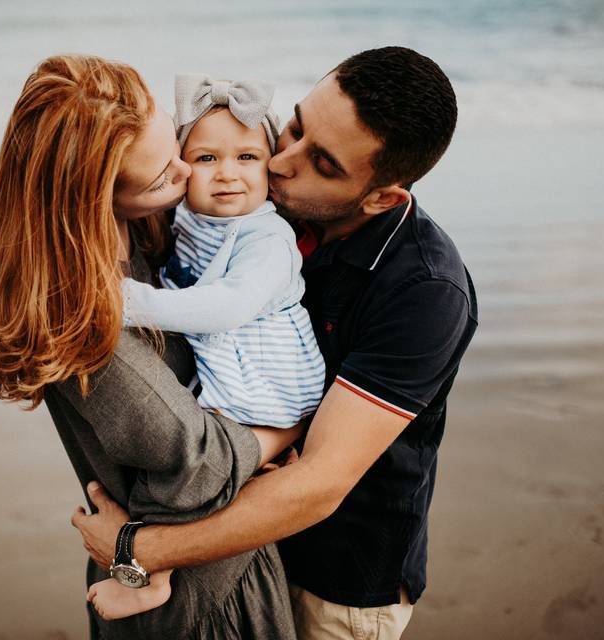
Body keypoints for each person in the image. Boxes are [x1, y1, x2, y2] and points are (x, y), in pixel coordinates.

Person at [73, 46, 479, 640]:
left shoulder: (425, 291)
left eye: (323, 162)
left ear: (381, 197)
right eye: (294, 126)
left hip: (335, 581)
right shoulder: (264, 205)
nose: (281, 162)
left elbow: (318, 485)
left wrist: (141, 549)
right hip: (237, 541)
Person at [0, 54, 299, 639]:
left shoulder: (146, 235)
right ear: (94, 200)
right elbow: (199, 464)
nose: (187, 171)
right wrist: (288, 431)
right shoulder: (92, 327)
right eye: (161, 176)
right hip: (200, 603)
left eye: (174, 144)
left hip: (194, 555)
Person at [88, 74, 325, 619]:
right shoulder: (190, 218)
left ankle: (152, 573)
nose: (227, 174)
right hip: (227, 368)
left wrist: (125, 300)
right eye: (206, 157)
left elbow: (225, 308)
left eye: (247, 157)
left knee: (189, 467)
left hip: (269, 381)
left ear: (272, 164)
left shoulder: (268, 240)